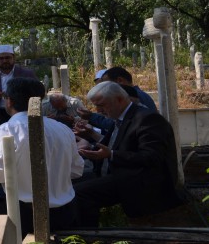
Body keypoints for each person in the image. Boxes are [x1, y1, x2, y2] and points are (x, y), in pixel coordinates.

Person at [0, 77, 84, 238]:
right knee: (1, 194)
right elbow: (76, 170)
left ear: (9, 101)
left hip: (26, 216)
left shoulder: (8, 129)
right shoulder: (62, 129)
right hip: (65, 212)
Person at [74, 81, 184, 227]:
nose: (98, 111)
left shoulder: (147, 119)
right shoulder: (120, 117)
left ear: (119, 99)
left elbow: (151, 157)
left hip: (139, 180)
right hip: (118, 173)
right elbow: (114, 144)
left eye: (101, 105)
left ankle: (88, 236)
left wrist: (111, 155)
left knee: (80, 193)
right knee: (70, 184)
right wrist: (90, 143)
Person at [0, 45, 37, 140]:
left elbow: (36, 92)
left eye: (7, 57)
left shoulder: (27, 73)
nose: (5, 61)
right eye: (1, 58)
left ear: (14, 58)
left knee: (23, 124)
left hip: (21, 109)